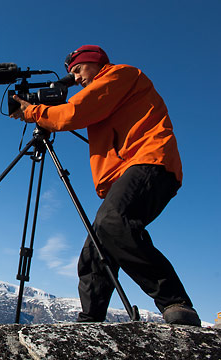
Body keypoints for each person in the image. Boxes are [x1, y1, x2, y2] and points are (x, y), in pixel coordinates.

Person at [10, 44, 200, 326]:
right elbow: (77, 111)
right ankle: (90, 321)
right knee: (96, 250)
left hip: (151, 161)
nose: (76, 78)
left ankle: (175, 301)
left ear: (96, 63)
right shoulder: (106, 93)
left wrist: (33, 112)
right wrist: (45, 112)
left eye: (78, 70)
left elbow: (76, 112)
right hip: (131, 170)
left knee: (112, 223)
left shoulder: (121, 75)